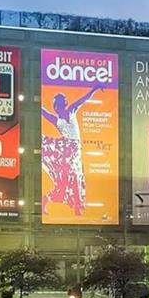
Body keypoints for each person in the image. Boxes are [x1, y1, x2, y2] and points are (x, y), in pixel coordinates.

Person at [41, 86, 99, 216]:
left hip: (75, 150)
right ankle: (75, 206)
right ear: (56, 106)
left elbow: (83, 99)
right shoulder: (57, 119)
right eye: (59, 104)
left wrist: (94, 89)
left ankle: (73, 205)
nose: (60, 107)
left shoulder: (71, 111)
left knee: (75, 177)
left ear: (63, 104)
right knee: (71, 177)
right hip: (66, 151)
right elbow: (42, 111)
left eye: (62, 104)